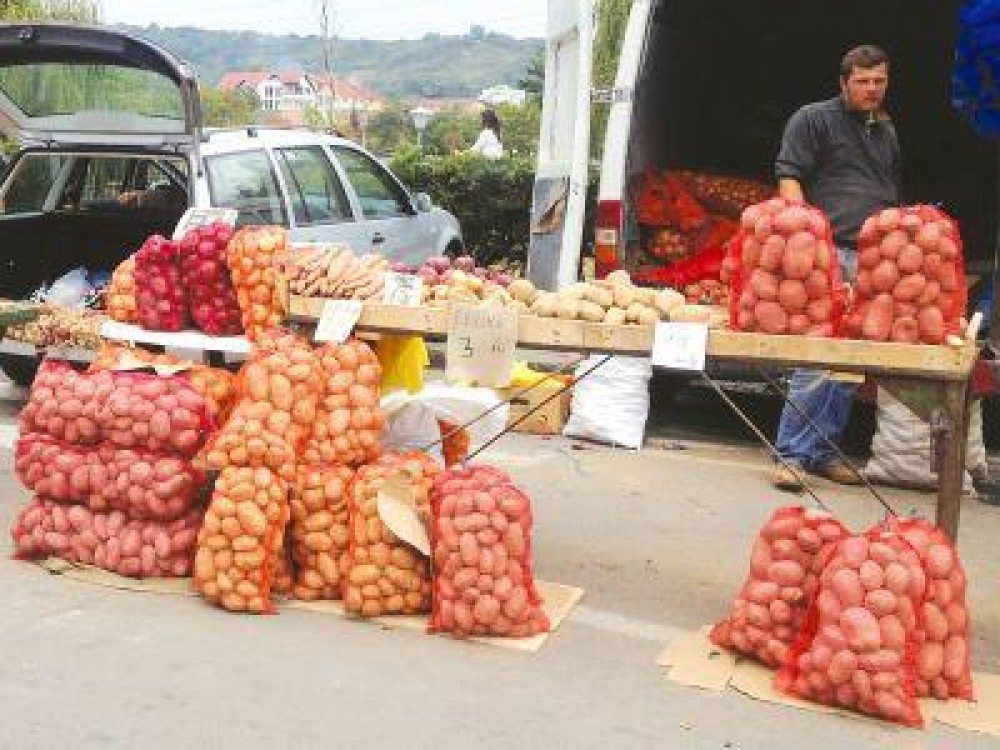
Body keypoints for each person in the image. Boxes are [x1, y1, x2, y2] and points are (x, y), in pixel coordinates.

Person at [772, 44, 901, 490]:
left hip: (873, 258)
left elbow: (887, 189)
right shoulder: (813, 119)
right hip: (828, 253)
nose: (872, 89)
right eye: (863, 81)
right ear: (844, 82)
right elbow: (789, 176)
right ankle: (791, 456)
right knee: (816, 356)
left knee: (850, 364)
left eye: (879, 81)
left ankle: (823, 453)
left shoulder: (885, 130)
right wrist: (804, 239)